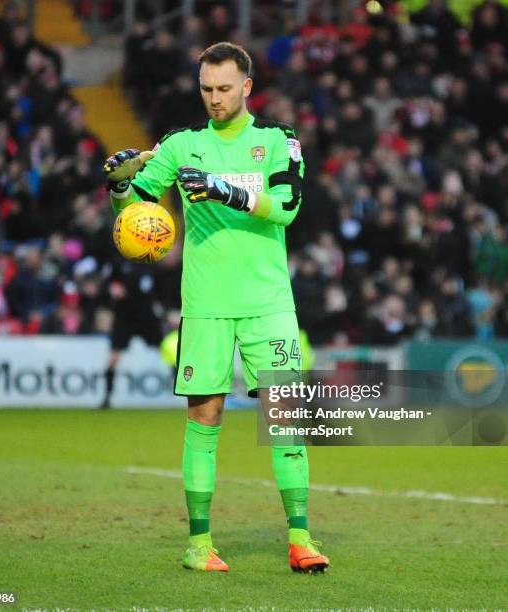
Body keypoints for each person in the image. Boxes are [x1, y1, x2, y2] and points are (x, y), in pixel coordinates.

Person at [103, 42, 329, 574]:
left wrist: (226, 191)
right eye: (206, 89)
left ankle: (301, 538)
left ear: (246, 87)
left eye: (224, 88)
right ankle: (199, 545)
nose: (214, 99)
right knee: (205, 420)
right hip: (205, 304)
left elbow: (289, 208)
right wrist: (118, 188)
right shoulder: (181, 146)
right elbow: (137, 212)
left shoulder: (278, 140)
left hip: (268, 302)